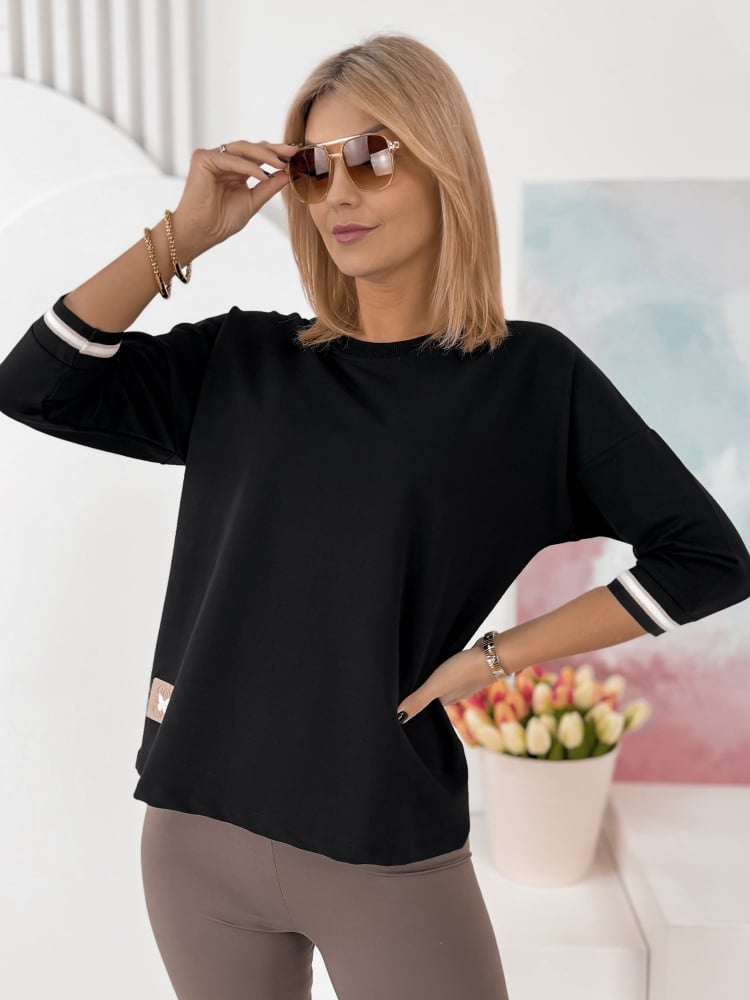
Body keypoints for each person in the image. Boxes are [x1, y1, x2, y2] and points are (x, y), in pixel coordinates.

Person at [1, 30, 749, 1000]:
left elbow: (708, 556)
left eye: (372, 155)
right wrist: (181, 236)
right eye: (315, 167)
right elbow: (36, 383)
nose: (339, 192)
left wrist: (494, 658)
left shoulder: (530, 382)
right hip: (196, 840)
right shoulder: (246, 361)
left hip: (382, 841)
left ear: (443, 163)